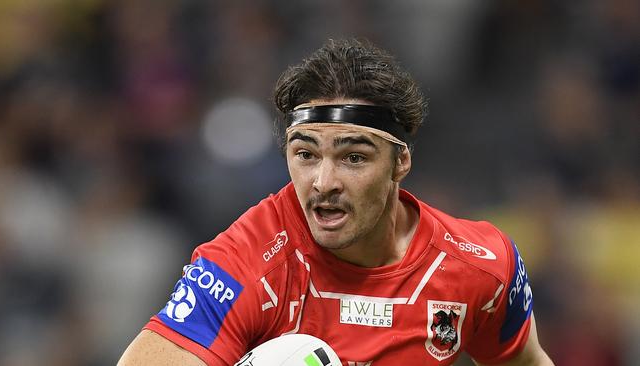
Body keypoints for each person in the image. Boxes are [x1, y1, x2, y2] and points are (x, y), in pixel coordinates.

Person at [118, 38, 553, 365]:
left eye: (353, 157)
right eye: (305, 154)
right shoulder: (248, 265)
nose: (323, 182)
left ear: (400, 162)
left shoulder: (481, 266)